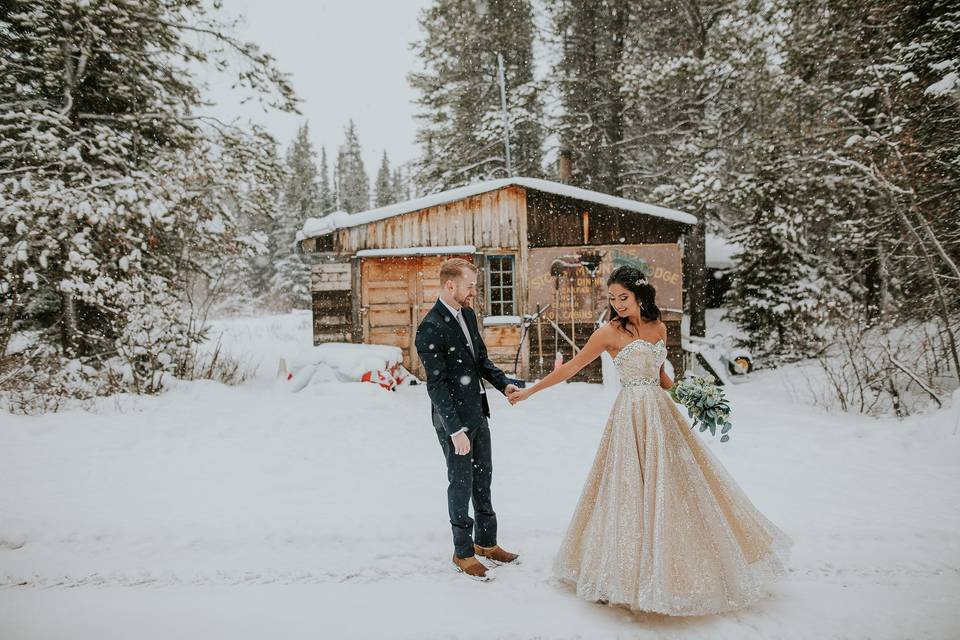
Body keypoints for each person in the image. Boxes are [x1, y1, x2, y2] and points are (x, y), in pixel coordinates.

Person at [508, 265, 792, 615]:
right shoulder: (608, 332)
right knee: (628, 492)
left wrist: (695, 401)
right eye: (612, 299)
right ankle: (623, 575)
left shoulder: (659, 327)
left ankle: (680, 568)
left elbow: (661, 377)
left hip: (660, 415)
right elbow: (571, 368)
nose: (617, 305)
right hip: (630, 416)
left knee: (675, 489)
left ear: (640, 294)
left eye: (623, 298)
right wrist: (530, 391)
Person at [414, 258, 525, 581]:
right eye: (470, 286)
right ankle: (463, 551)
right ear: (451, 286)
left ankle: (486, 543)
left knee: (483, 479)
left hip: (478, 412)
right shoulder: (430, 327)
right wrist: (455, 430)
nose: (474, 291)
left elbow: (481, 361)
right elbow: (436, 385)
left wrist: (504, 384)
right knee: (461, 484)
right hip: (454, 422)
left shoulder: (468, 315)